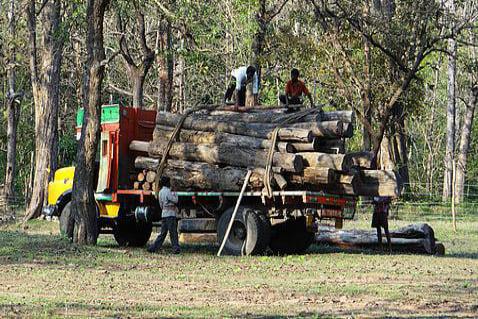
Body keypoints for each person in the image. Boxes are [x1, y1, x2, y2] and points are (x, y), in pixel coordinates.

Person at [148, 176, 180, 254]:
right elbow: (175, 200)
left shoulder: (161, 192)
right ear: (167, 183)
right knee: (173, 232)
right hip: (170, 214)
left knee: (162, 233)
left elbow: (161, 204)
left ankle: (153, 248)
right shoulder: (168, 191)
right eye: (169, 182)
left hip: (164, 214)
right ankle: (176, 248)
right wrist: (175, 193)